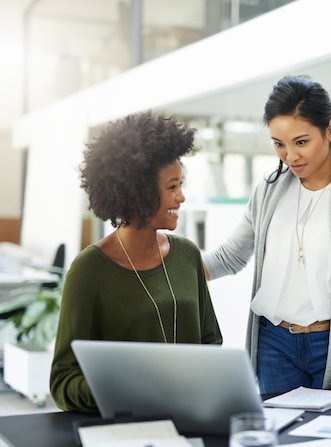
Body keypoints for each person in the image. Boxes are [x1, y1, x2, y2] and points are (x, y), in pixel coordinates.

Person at [203, 75, 331, 395]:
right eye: (279, 144)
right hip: (274, 343)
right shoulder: (270, 187)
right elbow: (230, 256)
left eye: (301, 142)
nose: (290, 156)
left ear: (330, 129)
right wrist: (163, 266)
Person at [50, 111, 222, 412]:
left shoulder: (187, 256)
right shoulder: (89, 271)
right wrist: (128, 391)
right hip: (123, 428)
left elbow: (211, 342)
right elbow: (63, 380)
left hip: (190, 416)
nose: (181, 197)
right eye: (171, 187)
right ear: (137, 193)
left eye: (180, 184)